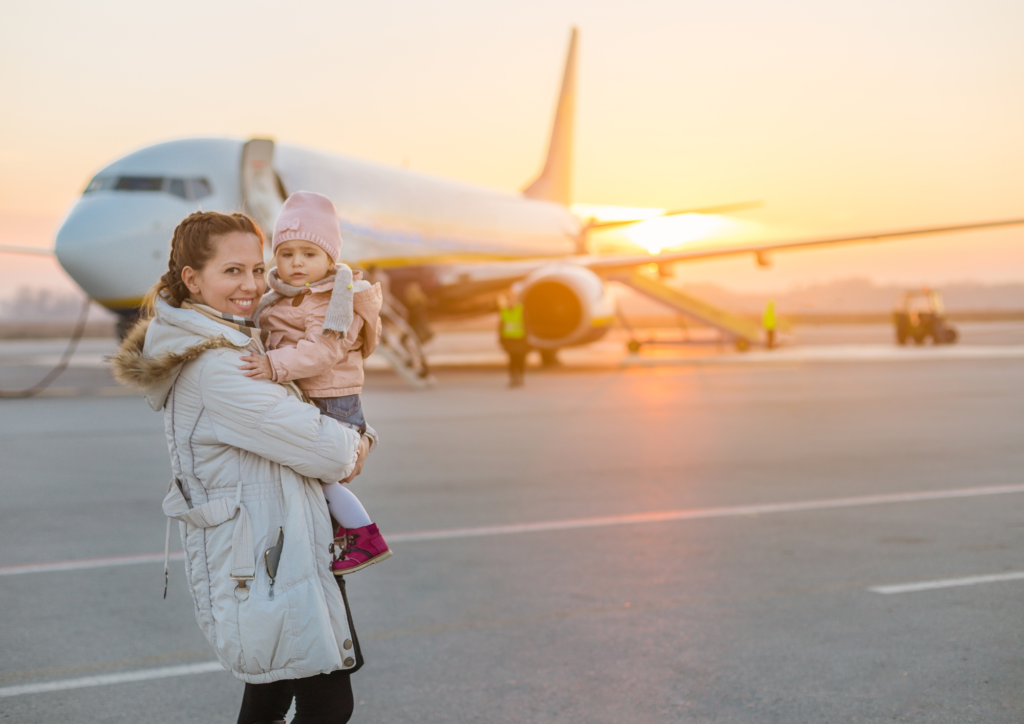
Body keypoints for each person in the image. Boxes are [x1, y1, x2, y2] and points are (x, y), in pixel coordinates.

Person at [112, 211, 370, 724]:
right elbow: (334, 453)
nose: (251, 285)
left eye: (257, 269)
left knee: (269, 700)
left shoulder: (236, 344)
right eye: (232, 271)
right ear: (193, 279)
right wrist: (361, 440)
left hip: (274, 554)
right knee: (327, 706)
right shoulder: (220, 367)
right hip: (270, 563)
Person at [244, 191, 391, 576]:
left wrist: (272, 365)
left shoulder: (330, 299)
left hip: (330, 399)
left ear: (330, 259)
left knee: (318, 474)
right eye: (286, 253)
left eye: (308, 254)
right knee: (310, 479)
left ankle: (365, 534)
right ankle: (341, 527)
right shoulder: (288, 296)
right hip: (315, 395)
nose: (295, 263)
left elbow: (321, 351)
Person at [498, 293, 528, 387]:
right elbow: (501, 327)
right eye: (510, 301)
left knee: (521, 361)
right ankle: (513, 379)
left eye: (513, 300)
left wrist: (528, 341)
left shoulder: (521, 310)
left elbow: (527, 326)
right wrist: (502, 341)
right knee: (512, 361)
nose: (511, 302)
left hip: (520, 341)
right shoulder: (504, 312)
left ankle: (520, 377)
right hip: (510, 341)